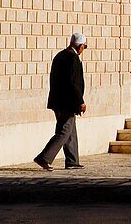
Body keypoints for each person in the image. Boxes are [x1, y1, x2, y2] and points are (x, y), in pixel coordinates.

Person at [34, 32, 88, 171]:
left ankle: (72, 161)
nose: (84, 49)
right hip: (67, 102)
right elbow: (73, 83)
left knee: (71, 131)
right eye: (85, 46)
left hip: (58, 101)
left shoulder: (60, 55)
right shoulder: (72, 58)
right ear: (80, 46)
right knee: (64, 131)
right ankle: (44, 157)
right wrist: (80, 102)